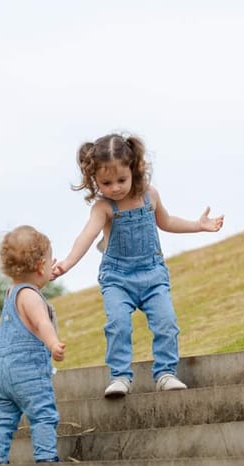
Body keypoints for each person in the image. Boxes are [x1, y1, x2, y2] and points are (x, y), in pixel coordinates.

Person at [52, 133, 224, 398]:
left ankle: (166, 373)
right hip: (117, 279)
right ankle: (120, 376)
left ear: (133, 169)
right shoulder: (103, 207)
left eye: (121, 180)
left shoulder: (149, 195)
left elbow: (165, 222)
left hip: (153, 273)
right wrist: (66, 263)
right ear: (94, 180)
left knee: (166, 322)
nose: (115, 188)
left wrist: (198, 226)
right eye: (106, 183)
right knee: (118, 324)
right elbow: (86, 236)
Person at [0, 225, 66, 464]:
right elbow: (41, 323)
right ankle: (45, 458)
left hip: (2, 374)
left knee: (3, 419)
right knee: (43, 415)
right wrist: (53, 344)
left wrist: (40, 276)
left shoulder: (12, 291)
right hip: (28, 373)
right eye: (50, 260)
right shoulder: (31, 296)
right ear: (41, 265)